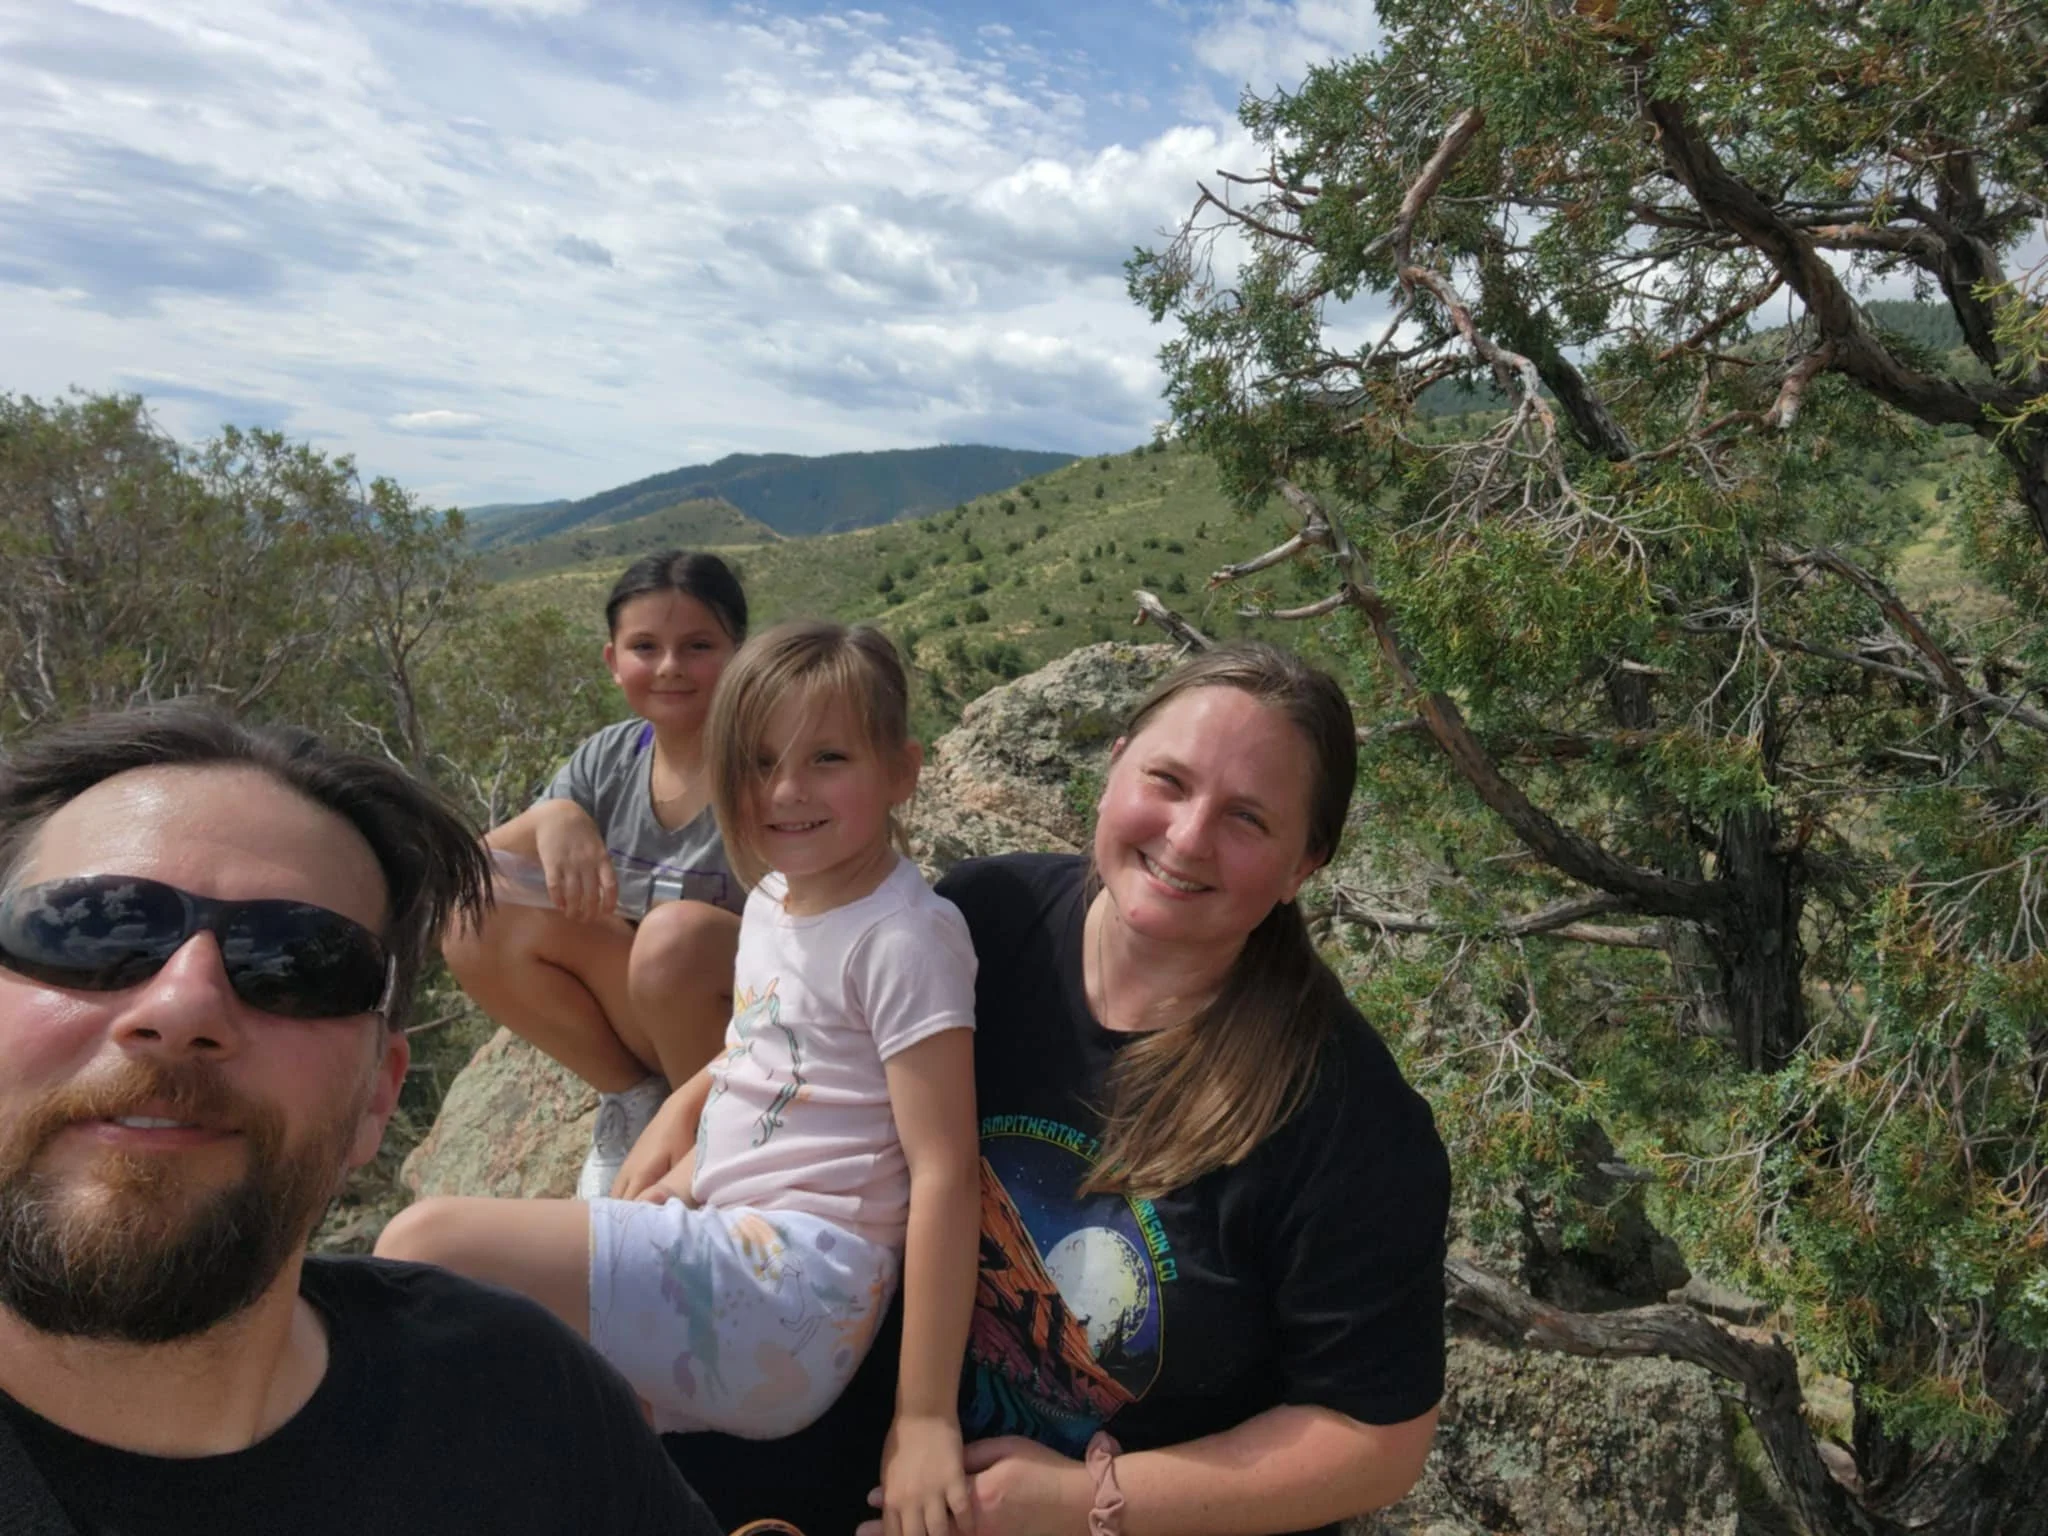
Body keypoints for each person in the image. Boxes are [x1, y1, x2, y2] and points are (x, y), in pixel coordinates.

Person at [667, 641, 1451, 1536]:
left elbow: (1377, 1440)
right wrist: (678, 1141)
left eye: (1248, 819)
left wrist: (1082, 1505)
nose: (1187, 837)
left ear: (1304, 865)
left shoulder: (1346, 1123)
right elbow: (813, 1041)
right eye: (1168, 780)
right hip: (870, 1436)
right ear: (1113, 768)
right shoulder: (987, 919)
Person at [0, 705, 720, 1535]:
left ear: (378, 1094)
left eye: (295, 962)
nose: (183, 1003)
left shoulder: (522, 1400)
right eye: (94, 929)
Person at [378, 621, 983, 1536]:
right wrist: (682, 1128)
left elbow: (946, 1170)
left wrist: (925, 1418)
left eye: (828, 758)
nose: (784, 791)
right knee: (519, 1403)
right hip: (736, 1244)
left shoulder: (903, 939)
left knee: (425, 1248)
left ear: (902, 771)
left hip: (798, 1293)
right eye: (758, 761)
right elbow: (763, 1049)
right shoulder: (781, 896)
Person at [443, 549, 751, 1199]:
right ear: (613, 661)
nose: (670, 667)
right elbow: (466, 875)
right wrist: (547, 819)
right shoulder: (608, 758)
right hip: (643, 1019)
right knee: (473, 913)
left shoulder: (766, 770)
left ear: (739, 656)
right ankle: (633, 1101)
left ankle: (714, 1130)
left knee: (673, 938)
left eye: (698, 645)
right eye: (645, 646)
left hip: (745, 1035)